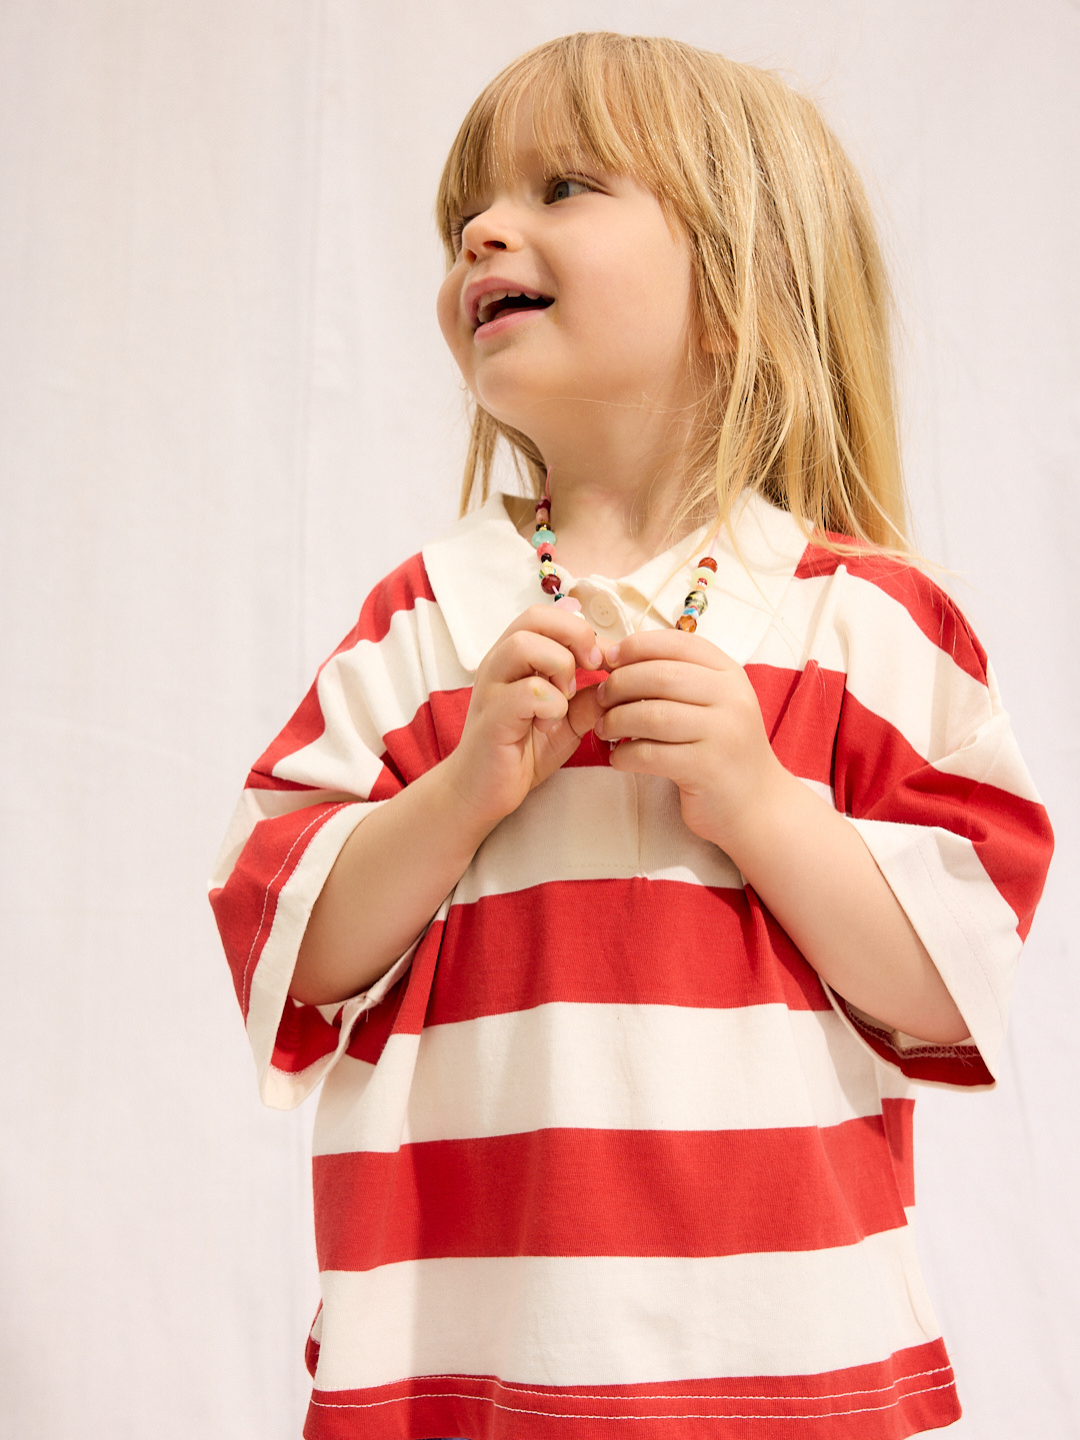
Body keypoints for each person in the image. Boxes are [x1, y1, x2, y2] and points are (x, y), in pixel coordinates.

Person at [210, 32, 1053, 1440]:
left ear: (736, 287)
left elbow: (948, 983)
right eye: (466, 212)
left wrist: (761, 800)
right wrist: (463, 792)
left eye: (562, 186)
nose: (484, 227)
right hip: (465, 1352)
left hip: (785, 1360)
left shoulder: (866, 623)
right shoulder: (421, 624)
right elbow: (292, 935)